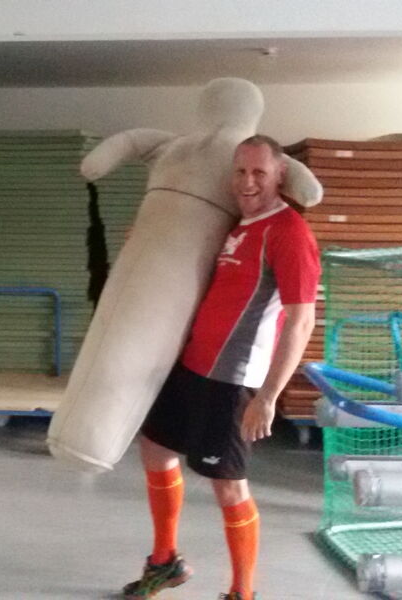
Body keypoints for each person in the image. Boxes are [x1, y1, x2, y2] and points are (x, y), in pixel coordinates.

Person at [123, 135, 320, 600]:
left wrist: (268, 396)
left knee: (228, 485)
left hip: (232, 380)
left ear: (280, 175)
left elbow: (302, 321)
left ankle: (242, 592)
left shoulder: (289, 232)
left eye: (259, 173)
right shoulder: (239, 224)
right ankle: (165, 561)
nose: (248, 182)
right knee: (155, 448)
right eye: (241, 171)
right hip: (192, 364)